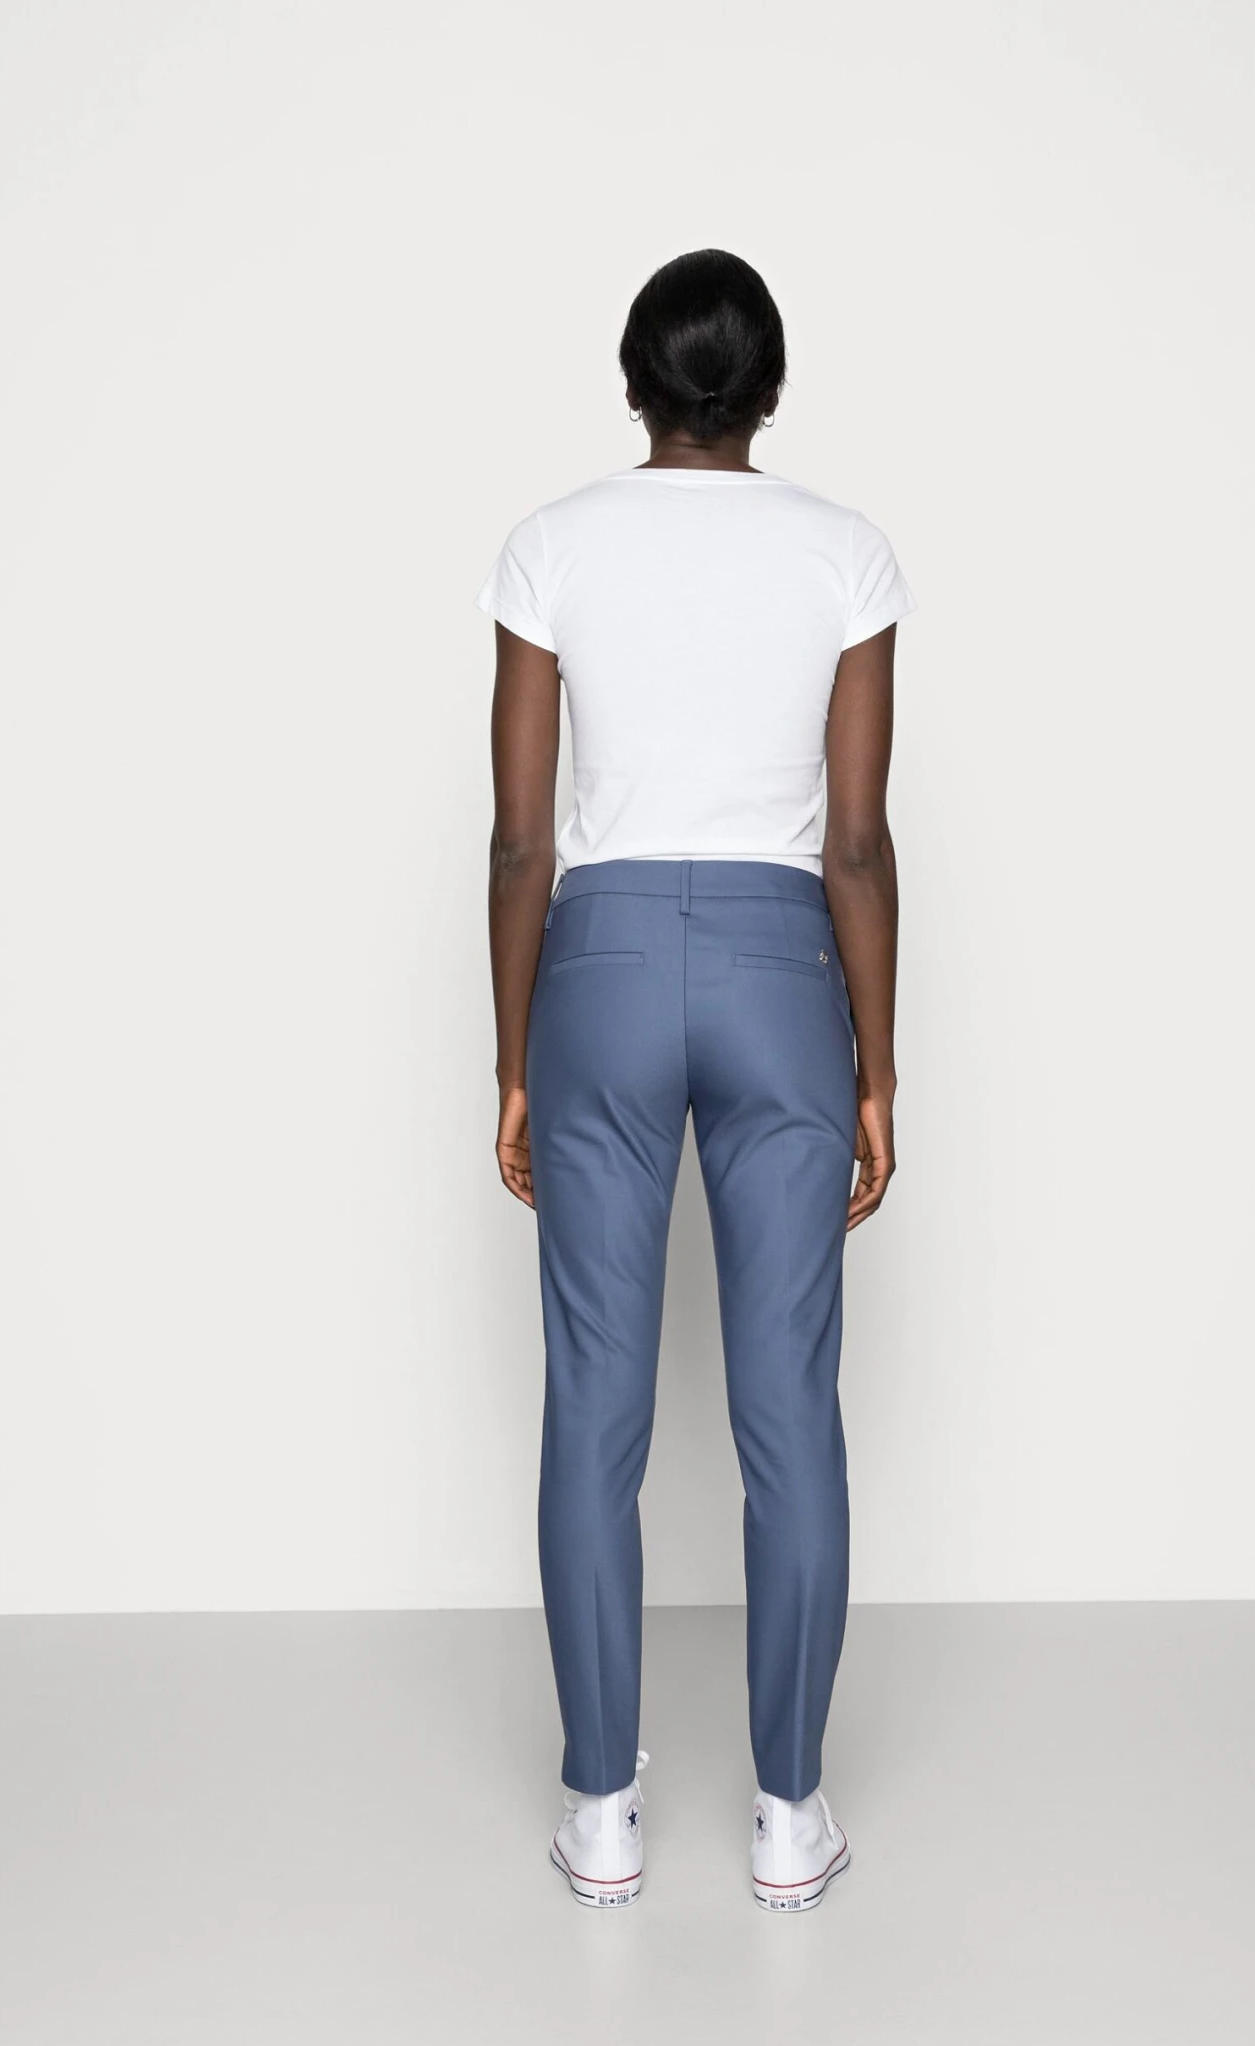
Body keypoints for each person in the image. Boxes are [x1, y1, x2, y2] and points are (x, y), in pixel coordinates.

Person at [477, 248, 913, 1912]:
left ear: (634, 384)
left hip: (593, 969)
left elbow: (522, 836)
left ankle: (602, 1809)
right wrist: (878, 1064)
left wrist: (513, 1056)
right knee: (788, 1409)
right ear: (770, 391)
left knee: (594, 1404)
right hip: (779, 973)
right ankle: (790, 1813)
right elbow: (856, 840)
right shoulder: (844, 552)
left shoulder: (551, 544)